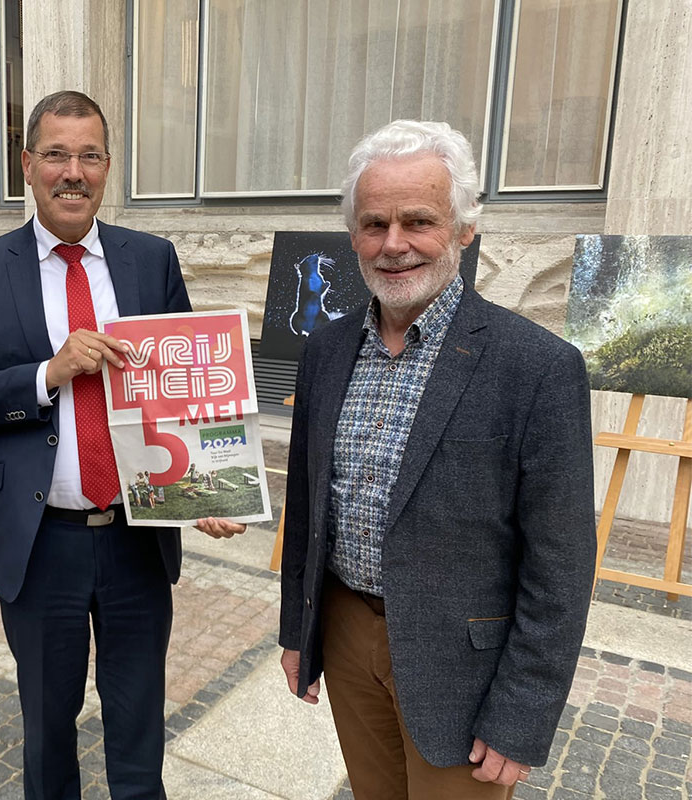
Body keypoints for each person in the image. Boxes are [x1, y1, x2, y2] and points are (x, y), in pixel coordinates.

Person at [0, 90, 244, 799]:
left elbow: (185, 384)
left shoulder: (149, 259)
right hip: (41, 545)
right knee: (48, 729)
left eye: (90, 156)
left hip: (135, 538)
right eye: (58, 155)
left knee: (138, 728)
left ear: (107, 168)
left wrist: (207, 488)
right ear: (28, 165)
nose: (74, 171)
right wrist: (47, 373)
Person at [278, 119, 596, 799]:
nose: (394, 245)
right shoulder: (327, 352)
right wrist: (296, 630)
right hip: (345, 633)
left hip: (464, 668)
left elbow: (560, 565)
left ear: (464, 229)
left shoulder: (537, 367)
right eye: (374, 224)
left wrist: (522, 715)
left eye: (419, 220)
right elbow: (307, 507)